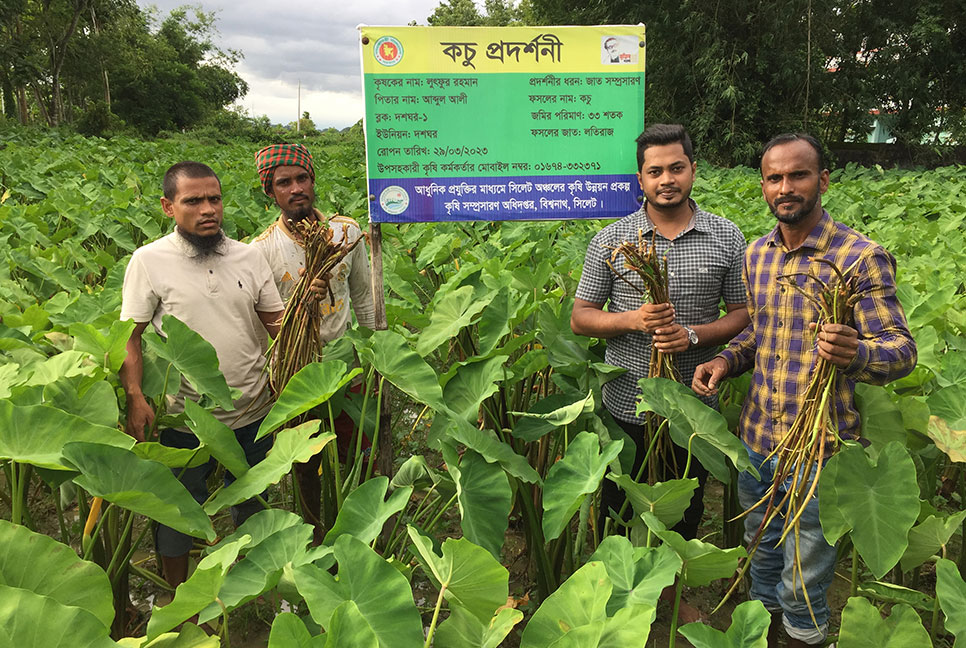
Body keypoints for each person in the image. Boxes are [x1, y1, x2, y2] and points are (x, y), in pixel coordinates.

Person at [692, 133, 917, 647]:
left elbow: (901, 350)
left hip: (822, 447)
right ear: (764, 186)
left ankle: (801, 639)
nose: (785, 187)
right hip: (757, 439)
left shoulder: (859, 258)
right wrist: (725, 361)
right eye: (775, 178)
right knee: (762, 549)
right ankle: (761, 634)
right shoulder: (758, 255)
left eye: (798, 175)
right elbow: (758, 333)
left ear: (823, 181)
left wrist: (857, 352)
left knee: (805, 570)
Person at [571, 124, 749, 616]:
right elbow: (581, 316)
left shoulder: (726, 236)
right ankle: (618, 598)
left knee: (682, 508)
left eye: (676, 168)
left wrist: (692, 335)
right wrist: (632, 319)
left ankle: (666, 599)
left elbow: (741, 313)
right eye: (655, 171)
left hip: (692, 407)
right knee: (618, 504)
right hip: (625, 397)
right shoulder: (612, 239)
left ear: (693, 169)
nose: (666, 179)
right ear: (640, 178)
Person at [119, 161, 284, 589]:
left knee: (253, 502)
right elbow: (130, 338)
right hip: (184, 415)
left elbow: (277, 325)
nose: (207, 209)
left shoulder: (250, 256)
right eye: (193, 201)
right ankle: (180, 598)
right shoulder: (149, 261)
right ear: (168, 207)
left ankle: (248, 590)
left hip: (253, 406)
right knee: (178, 509)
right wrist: (136, 397)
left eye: (214, 198)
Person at [250, 143, 375, 541]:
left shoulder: (345, 232)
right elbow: (266, 324)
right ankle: (314, 534)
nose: (296, 188)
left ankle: (356, 529)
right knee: (304, 460)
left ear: (313, 181)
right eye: (283, 183)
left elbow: (364, 297)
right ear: (271, 192)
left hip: (342, 360)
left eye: (302, 178)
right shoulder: (262, 250)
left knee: (356, 450)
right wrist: (303, 300)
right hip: (295, 368)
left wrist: (379, 358)